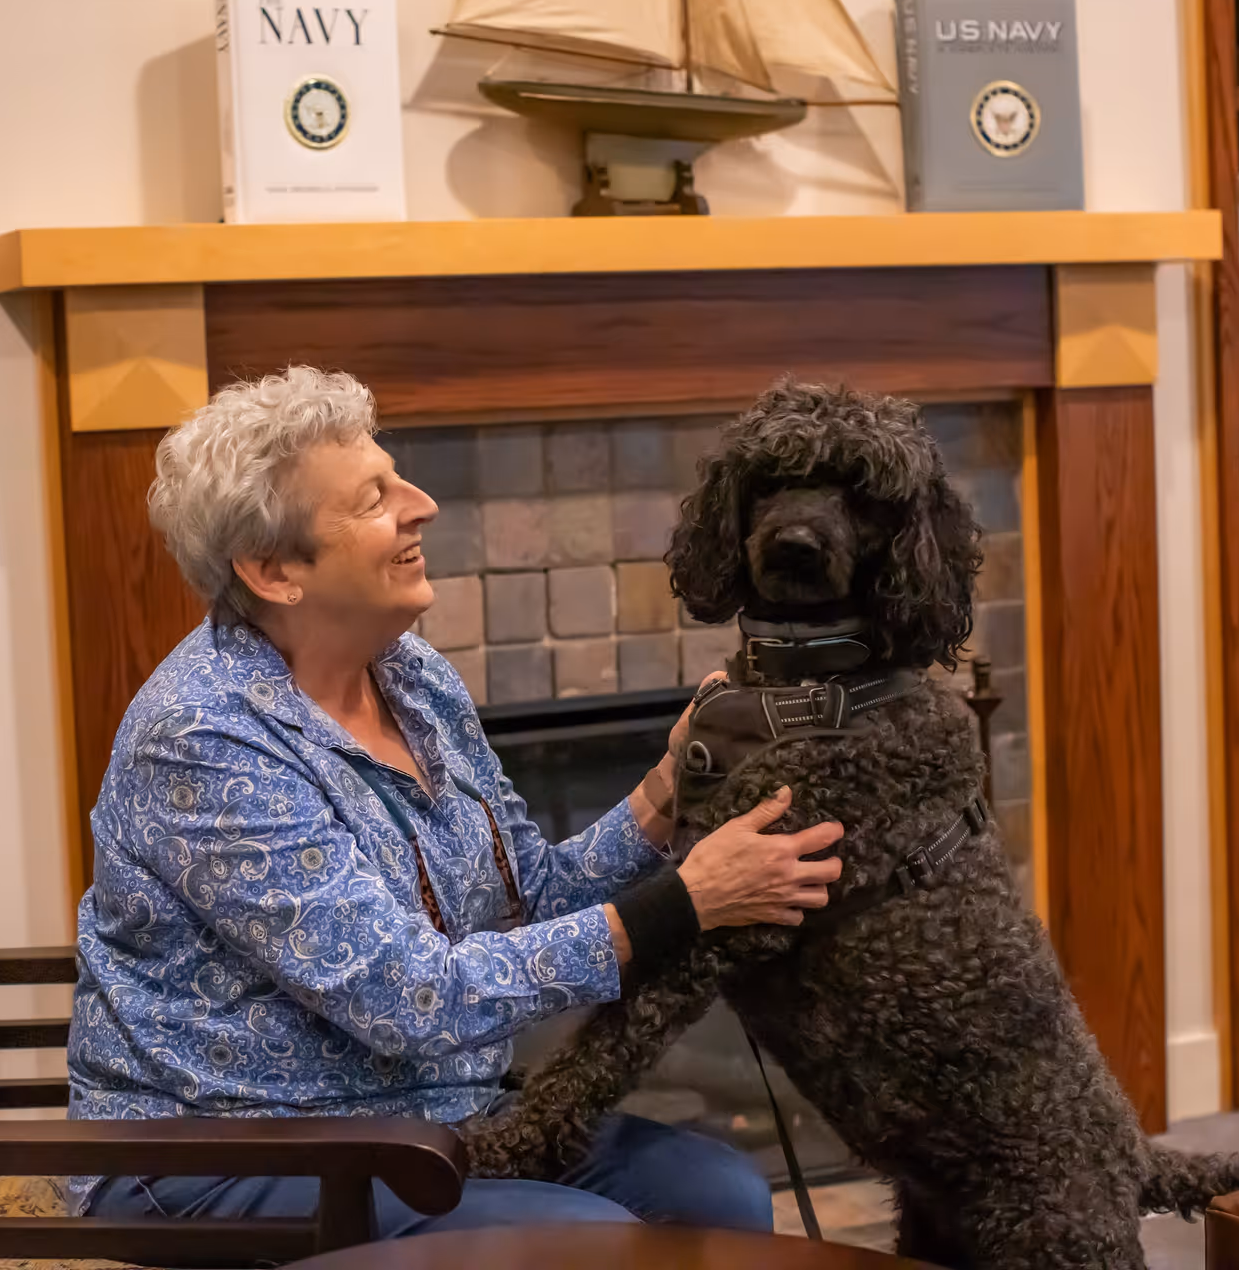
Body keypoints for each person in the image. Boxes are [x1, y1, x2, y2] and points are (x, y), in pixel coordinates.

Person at [68, 366, 844, 1237]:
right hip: (233, 1153)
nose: (422, 504)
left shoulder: (411, 678)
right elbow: (409, 1000)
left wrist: (666, 789)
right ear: (274, 568)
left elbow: (529, 900)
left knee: (720, 1196)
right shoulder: (207, 739)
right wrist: (687, 904)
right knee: (591, 1246)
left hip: (435, 1116)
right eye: (373, 500)